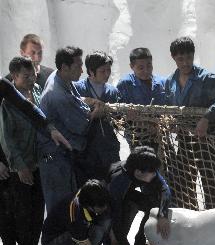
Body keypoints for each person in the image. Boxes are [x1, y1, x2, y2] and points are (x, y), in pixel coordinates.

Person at [164, 36, 215, 210]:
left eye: (189, 57)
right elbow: (168, 106)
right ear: (173, 58)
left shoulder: (206, 78)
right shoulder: (170, 81)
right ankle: (190, 221)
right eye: (181, 59)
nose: (186, 62)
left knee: (211, 184)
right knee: (184, 183)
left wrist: (206, 118)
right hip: (184, 140)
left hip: (208, 139)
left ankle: (214, 222)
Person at [0, 57, 46, 245]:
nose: (31, 79)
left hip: (37, 163)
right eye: (25, 76)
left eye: (33, 74)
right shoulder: (7, 101)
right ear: (14, 77)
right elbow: (7, 138)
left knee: (37, 210)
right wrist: (19, 166)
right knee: (19, 213)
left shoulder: (36, 91)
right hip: (17, 166)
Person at [39, 46, 98, 212]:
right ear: (64, 67)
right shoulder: (58, 95)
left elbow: (77, 103)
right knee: (62, 209)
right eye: (78, 66)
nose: (82, 70)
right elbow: (83, 126)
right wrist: (97, 112)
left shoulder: (59, 78)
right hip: (56, 159)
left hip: (60, 156)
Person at [107, 146, 171, 245]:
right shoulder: (119, 181)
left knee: (154, 205)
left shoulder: (145, 168)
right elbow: (115, 218)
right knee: (126, 213)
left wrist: (162, 215)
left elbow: (165, 190)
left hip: (129, 193)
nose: (155, 175)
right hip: (107, 200)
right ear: (138, 172)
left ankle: (140, 244)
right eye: (152, 173)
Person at [74, 51, 121, 180]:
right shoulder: (77, 89)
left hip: (109, 146)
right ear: (91, 71)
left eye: (108, 70)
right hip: (86, 149)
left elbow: (119, 119)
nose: (107, 74)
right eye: (102, 71)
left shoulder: (113, 91)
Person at [116, 47, 166, 150]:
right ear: (131, 67)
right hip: (136, 137)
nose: (146, 70)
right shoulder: (125, 84)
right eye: (141, 68)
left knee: (167, 164)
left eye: (149, 66)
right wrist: (128, 116)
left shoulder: (162, 83)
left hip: (160, 135)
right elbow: (117, 114)